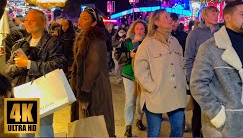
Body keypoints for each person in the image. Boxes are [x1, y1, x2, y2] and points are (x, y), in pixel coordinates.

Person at [190, 0, 243, 137]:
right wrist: (216, 113)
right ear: (227, 17)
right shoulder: (210, 47)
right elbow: (197, 84)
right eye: (242, 14)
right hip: (224, 124)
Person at [3, 9, 65, 137]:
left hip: (44, 92)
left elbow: (58, 65)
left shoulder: (53, 43)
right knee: (24, 133)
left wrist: (29, 64)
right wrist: (19, 66)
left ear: (43, 23)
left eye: (33, 20)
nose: (28, 23)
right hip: (22, 92)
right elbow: (6, 69)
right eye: (26, 20)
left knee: (44, 130)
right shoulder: (19, 44)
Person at [134, 9, 187, 137]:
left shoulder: (175, 42)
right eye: (166, 17)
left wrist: (183, 83)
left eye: (170, 17)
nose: (170, 19)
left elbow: (182, 64)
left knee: (178, 130)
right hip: (155, 96)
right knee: (154, 133)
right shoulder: (147, 44)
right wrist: (152, 87)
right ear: (156, 22)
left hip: (176, 95)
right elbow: (140, 70)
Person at [70, 8, 115, 137]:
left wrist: (85, 92)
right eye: (80, 17)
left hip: (94, 88)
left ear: (94, 23)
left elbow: (93, 67)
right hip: (86, 85)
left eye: (85, 19)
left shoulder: (95, 39)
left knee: (95, 123)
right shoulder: (83, 36)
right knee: (87, 121)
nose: (80, 20)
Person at [184, 6, 220, 137]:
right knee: (198, 112)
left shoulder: (222, 32)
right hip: (200, 79)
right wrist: (191, 79)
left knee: (215, 111)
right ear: (204, 16)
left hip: (218, 80)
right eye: (212, 14)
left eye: (217, 13)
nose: (216, 16)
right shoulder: (195, 34)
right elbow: (188, 57)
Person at [115, 20, 147, 137]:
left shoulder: (148, 43)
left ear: (145, 30)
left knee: (141, 101)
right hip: (129, 75)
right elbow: (117, 55)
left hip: (143, 76)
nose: (139, 30)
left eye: (142, 28)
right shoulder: (126, 42)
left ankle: (139, 119)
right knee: (130, 101)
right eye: (137, 28)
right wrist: (130, 55)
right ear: (133, 29)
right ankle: (128, 126)